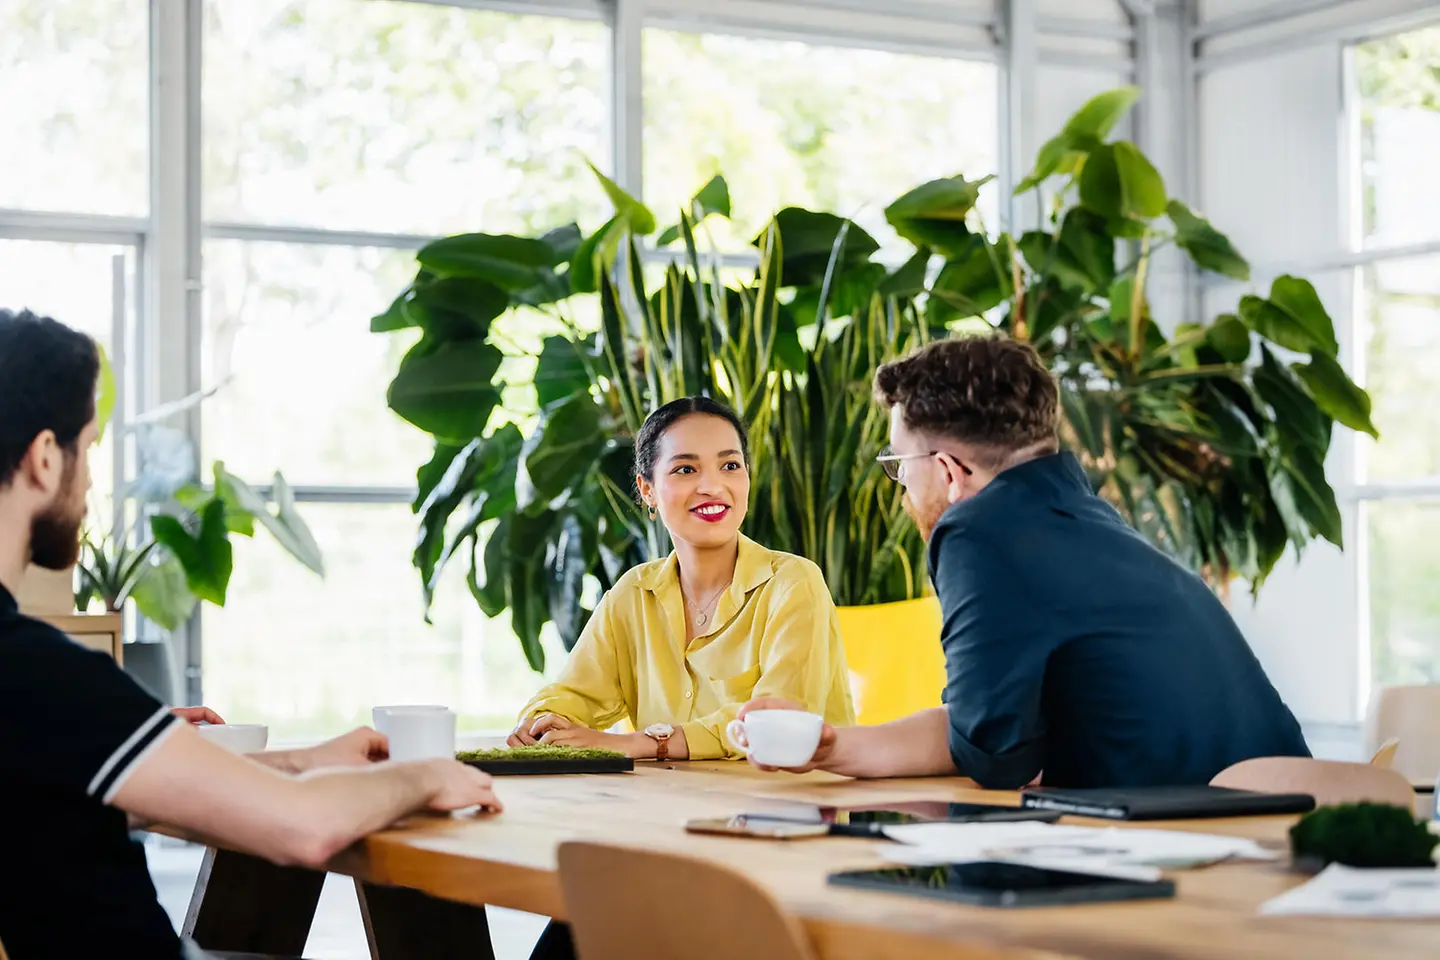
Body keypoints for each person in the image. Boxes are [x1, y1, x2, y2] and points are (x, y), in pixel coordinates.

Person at [0, 309, 502, 960]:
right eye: (89, 449)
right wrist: (425, 776)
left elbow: (104, 801)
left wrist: (303, 760)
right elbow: (305, 829)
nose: (91, 480)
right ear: (45, 457)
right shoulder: (37, 670)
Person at [740, 334, 1309, 789]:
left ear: (948, 471)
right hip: (1272, 818)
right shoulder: (1082, 519)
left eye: (900, 465)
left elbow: (994, 758)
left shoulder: (977, 532)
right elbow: (981, 733)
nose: (903, 489)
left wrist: (1011, 749)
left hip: (1186, 845)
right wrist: (834, 746)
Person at [508, 396, 855, 760]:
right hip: (670, 810)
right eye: (686, 470)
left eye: (730, 465)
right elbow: (574, 693)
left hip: (787, 811)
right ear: (648, 491)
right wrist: (542, 722)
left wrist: (641, 743)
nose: (712, 486)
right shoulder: (634, 594)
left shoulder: (794, 583)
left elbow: (777, 720)